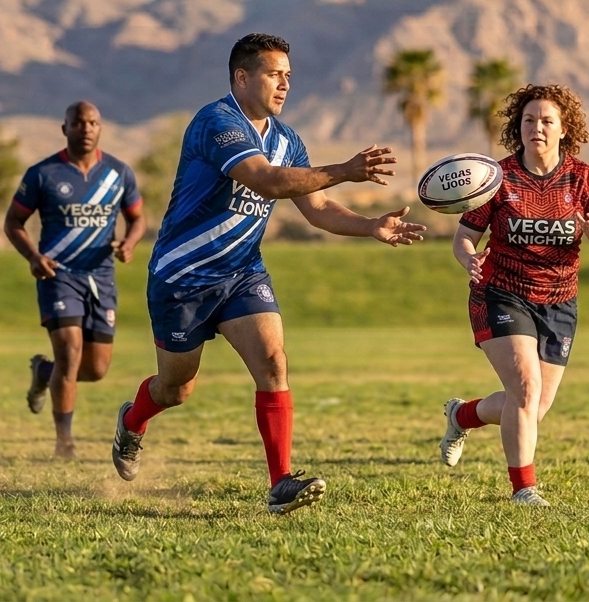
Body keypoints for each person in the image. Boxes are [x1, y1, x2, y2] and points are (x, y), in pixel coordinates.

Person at [109, 33, 426, 515]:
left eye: (289, 77)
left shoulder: (287, 139)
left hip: (242, 274)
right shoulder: (217, 122)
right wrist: (344, 168)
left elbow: (316, 208)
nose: (284, 85)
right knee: (176, 387)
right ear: (241, 76)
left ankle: (281, 482)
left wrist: (369, 226)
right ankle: (133, 420)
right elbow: (266, 181)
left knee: (274, 363)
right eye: (274, 75)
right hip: (183, 278)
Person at [442, 84, 589, 507]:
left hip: (560, 301)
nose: (537, 127)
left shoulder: (584, 177)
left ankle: (461, 414)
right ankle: (524, 489)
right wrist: (468, 259)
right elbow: (463, 238)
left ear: (564, 130)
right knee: (525, 390)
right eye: (528, 120)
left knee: (534, 408)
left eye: (546, 121)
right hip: (502, 293)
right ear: (517, 128)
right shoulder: (496, 177)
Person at [4, 102, 146, 459]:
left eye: (93, 122)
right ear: (64, 128)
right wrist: (33, 257)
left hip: (101, 276)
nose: (86, 128)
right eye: (78, 123)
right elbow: (13, 223)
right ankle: (64, 440)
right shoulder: (43, 174)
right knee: (69, 352)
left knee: (96, 369)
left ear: (101, 128)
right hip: (58, 276)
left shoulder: (118, 173)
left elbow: (138, 219)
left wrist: (128, 243)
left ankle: (43, 372)